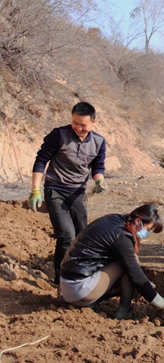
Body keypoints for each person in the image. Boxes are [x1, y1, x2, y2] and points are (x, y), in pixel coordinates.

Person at [29, 101, 107, 285]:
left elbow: (98, 166)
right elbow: (41, 161)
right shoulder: (59, 135)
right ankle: (61, 279)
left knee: (81, 235)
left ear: (94, 122)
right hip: (55, 189)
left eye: (83, 124)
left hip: (78, 192)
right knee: (66, 236)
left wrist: (99, 181)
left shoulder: (98, 142)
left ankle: (79, 275)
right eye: (75, 123)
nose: (78, 127)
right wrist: (35, 190)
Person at [60, 204, 164, 319]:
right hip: (80, 288)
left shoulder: (114, 219)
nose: (146, 234)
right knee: (130, 264)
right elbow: (135, 273)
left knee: (127, 263)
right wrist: (160, 301)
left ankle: (90, 302)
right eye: (148, 229)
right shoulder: (121, 238)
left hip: (68, 285)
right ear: (138, 221)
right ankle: (125, 311)